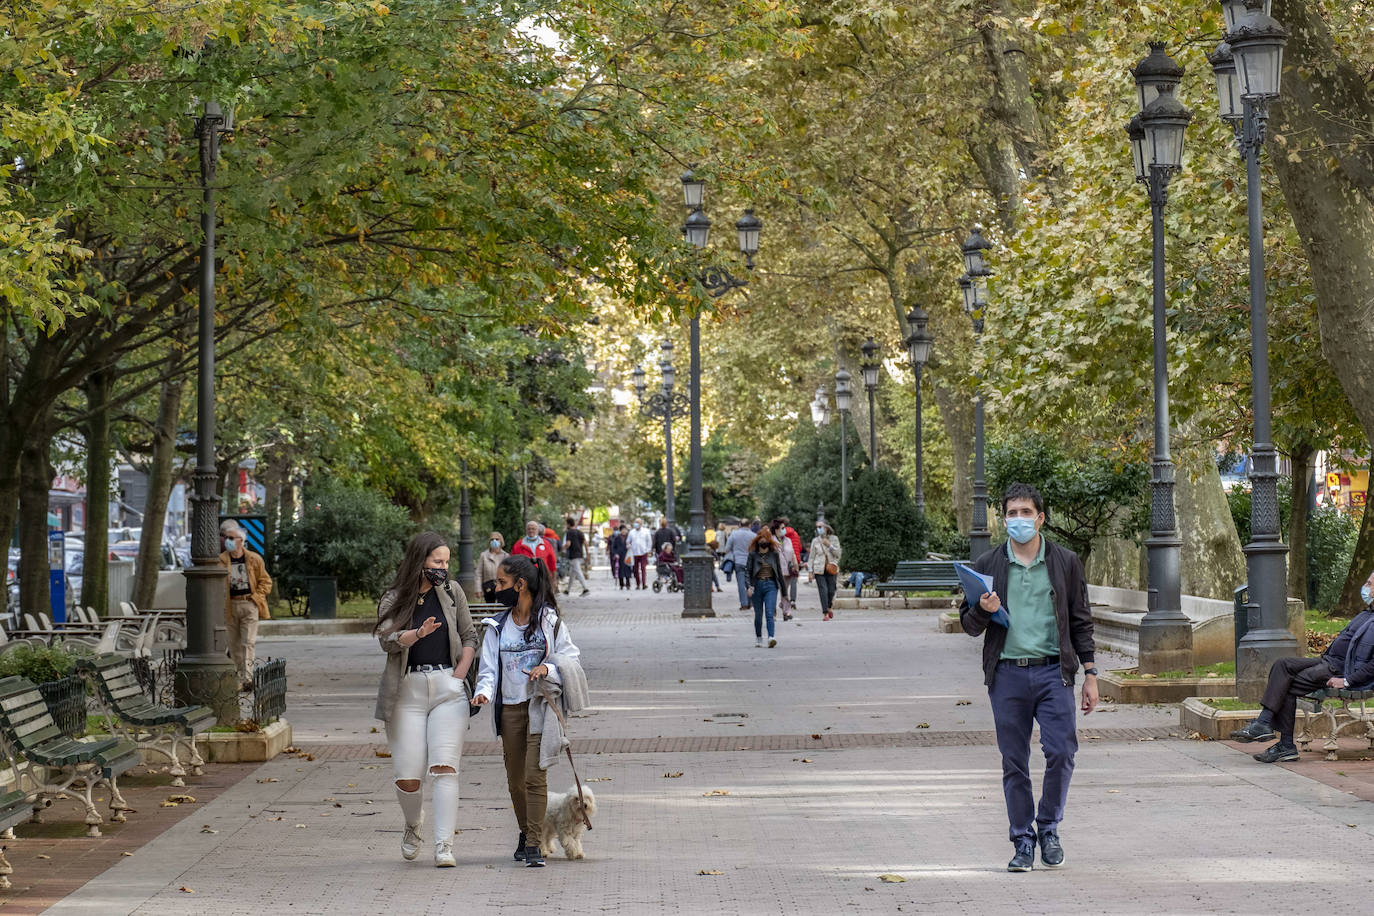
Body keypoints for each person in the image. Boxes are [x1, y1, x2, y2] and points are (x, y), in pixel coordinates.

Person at [958, 482, 1097, 873]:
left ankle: (1049, 827)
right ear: (1004, 519)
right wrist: (983, 611)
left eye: (1025, 512)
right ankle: (1022, 840)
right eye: (1011, 513)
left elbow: (1082, 621)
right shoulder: (986, 565)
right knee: (1014, 761)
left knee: (1062, 752)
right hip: (1007, 675)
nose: (1018, 519)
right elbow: (968, 625)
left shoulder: (1065, 561)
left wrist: (1091, 674)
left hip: (1054, 672)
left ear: (1041, 517)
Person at [373, 531, 479, 868]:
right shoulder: (394, 598)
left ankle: (444, 845)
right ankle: (412, 823)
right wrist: (417, 634)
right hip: (407, 691)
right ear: (420, 561)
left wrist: (459, 675)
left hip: (448, 688)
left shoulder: (451, 592)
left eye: (447, 562)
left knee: (445, 769)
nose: (443, 568)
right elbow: (387, 640)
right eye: (438, 562)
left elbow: (469, 635)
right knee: (408, 776)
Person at [472, 555, 582, 868]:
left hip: (540, 708)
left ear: (520, 585)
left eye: (502, 583)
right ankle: (526, 831)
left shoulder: (549, 621)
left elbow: (570, 656)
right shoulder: (497, 626)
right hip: (509, 709)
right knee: (516, 781)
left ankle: (533, 843)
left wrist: (546, 666)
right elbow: (489, 668)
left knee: (535, 776)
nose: (497, 588)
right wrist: (482, 692)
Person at [1230, 568, 1374, 762]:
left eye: (1370, 584)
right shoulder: (1367, 613)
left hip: (1341, 670)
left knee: (1286, 684)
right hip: (1328, 661)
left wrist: (1346, 681)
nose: (1365, 587)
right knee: (1282, 665)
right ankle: (1266, 727)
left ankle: (1280, 740)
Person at [219, 520, 273, 692]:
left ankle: (247, 678)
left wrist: (255, 598)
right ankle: (238, 678)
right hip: (230, 605)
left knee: (247, 642)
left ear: (240, 541)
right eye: (226, 537)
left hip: (249, 604)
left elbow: (266, 582)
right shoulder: (221, 560)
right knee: (233, 644)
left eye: (231, 538)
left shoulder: (254, 559)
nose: (227, 541)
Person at [746, 528, 784, 649]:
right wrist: (748, 586)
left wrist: (784, 592)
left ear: (769, 540)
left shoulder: (774, 554)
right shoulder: (753, 555)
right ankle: (758, 637)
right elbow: (747, 572)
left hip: (771, 586)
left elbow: (779, 572)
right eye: (761, 538)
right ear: (757, 540)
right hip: (756, 586)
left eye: (765, 538)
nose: (763, 541)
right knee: (758, 614)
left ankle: (771, 637)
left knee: (769, 612)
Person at [807, 521, 842, 621]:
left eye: (820, 526)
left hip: (831, 568)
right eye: (817, 527)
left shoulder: (834, 539)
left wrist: (829, 545)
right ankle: (825, 612)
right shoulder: (815, 541)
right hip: (819, 569)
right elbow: (811, 557)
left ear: (826, 527)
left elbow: (838, 554)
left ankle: (829, 606)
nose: (819, 529)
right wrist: (810, 571)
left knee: (831, 590)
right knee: (823, 590)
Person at [770, 520, 799, 622]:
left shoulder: (788, 540)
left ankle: (786, 613)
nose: (784, 530)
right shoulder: (771, 541)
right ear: (776, 529)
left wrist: (795, 565)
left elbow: (793, 554)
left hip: (787, 570)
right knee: (773, 592)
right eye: (782, 528)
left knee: (785, 592)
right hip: (775, 571)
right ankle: (772, 614)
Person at [724, 523, 755, 611]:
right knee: (751, 582)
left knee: (741, 584)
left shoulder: (734, 534)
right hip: (751, 562)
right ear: (749, 525)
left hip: (739, 561)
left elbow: (727, 549)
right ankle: (751, 602)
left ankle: (744, 604)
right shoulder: (753, 535)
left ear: (740, 525)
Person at [779, 517, 803, 612]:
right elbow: (800, 547)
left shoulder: (781, 536)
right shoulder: (795, 533)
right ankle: (793, 600)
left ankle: (784, 602)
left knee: (784, 584)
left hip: (786, 560)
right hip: (795, 559)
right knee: (793, 582)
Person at [562, 517, 589, 597]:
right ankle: (567, 590)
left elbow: (568, 544)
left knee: (577, 571)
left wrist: (563, 549)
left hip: (573, 554)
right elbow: (585, 543)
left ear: (568, 524)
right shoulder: (580, 532)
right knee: (572, 573)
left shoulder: (569, 532)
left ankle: (585, 589)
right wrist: (587, 554)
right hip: (580, 554)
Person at [478, 532, 508, 603]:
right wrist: (478, 589)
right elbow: (478, 573)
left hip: (502, 586)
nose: (494, 541)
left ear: (501, 541)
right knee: (489, 609)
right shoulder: (483, 555)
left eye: (497, 539)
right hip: (488, 587)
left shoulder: (506, 556)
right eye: (492, 539)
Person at [626, 518, 653, 590]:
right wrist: (628, 545)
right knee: (635, 569)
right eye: (635, 522)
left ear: (641, 524)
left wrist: (648, 550)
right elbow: (628, 541)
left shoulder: (646, 531)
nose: (636, 524)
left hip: (643, 552)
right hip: (634, 553)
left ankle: (644, 584)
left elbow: (649, 541)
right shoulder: (631, 532)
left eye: (638, 522)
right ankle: (638, 584)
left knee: (643, 568)